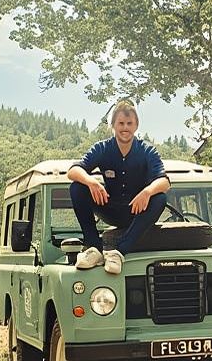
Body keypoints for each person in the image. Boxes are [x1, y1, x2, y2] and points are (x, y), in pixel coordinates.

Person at [67, 101, 170, 274]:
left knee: (159, 197)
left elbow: (165, 182)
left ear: (136, 126)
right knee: (77, 187)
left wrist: (147, 192)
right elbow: (73, 171)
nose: (125, 128)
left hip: (136, 210)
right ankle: (94, 248)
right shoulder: (102, 148)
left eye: (129, 124)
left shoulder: (147, 151)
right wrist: (91, 182)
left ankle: (119, 252)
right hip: (109, 207)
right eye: (121, 123)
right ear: (113, 125)